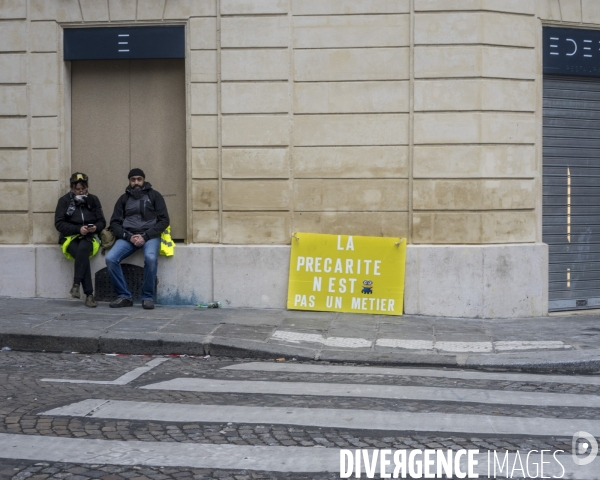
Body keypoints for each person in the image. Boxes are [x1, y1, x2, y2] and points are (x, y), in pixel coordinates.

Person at [106, 168, 169, 309]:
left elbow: (164, 221)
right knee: (110, 258)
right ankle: (124, 296)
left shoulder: (155, 196)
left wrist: (145, 236)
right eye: (133, 179)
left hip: (150, 236)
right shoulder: (123, 199)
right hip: (129, 237)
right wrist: (129, 237)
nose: (136, 182)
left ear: (144, 180)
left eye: (139, 179)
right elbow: (114, 223)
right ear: (129, 181)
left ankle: (147, 297)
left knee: (151, 258)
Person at [54, 172, 106, 308]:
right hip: (70, 238)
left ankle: (76, 284)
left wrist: (95, 228)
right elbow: (59, 224)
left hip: (89, 237)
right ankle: (89, 295)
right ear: (72, 188)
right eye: (77, 189)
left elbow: (102, 222)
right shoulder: (64, 201)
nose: (81, 191)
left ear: (87, 187)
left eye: (83, 188)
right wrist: (78, 230)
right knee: (81, 254)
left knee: (83, 249)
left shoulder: (93, 200)